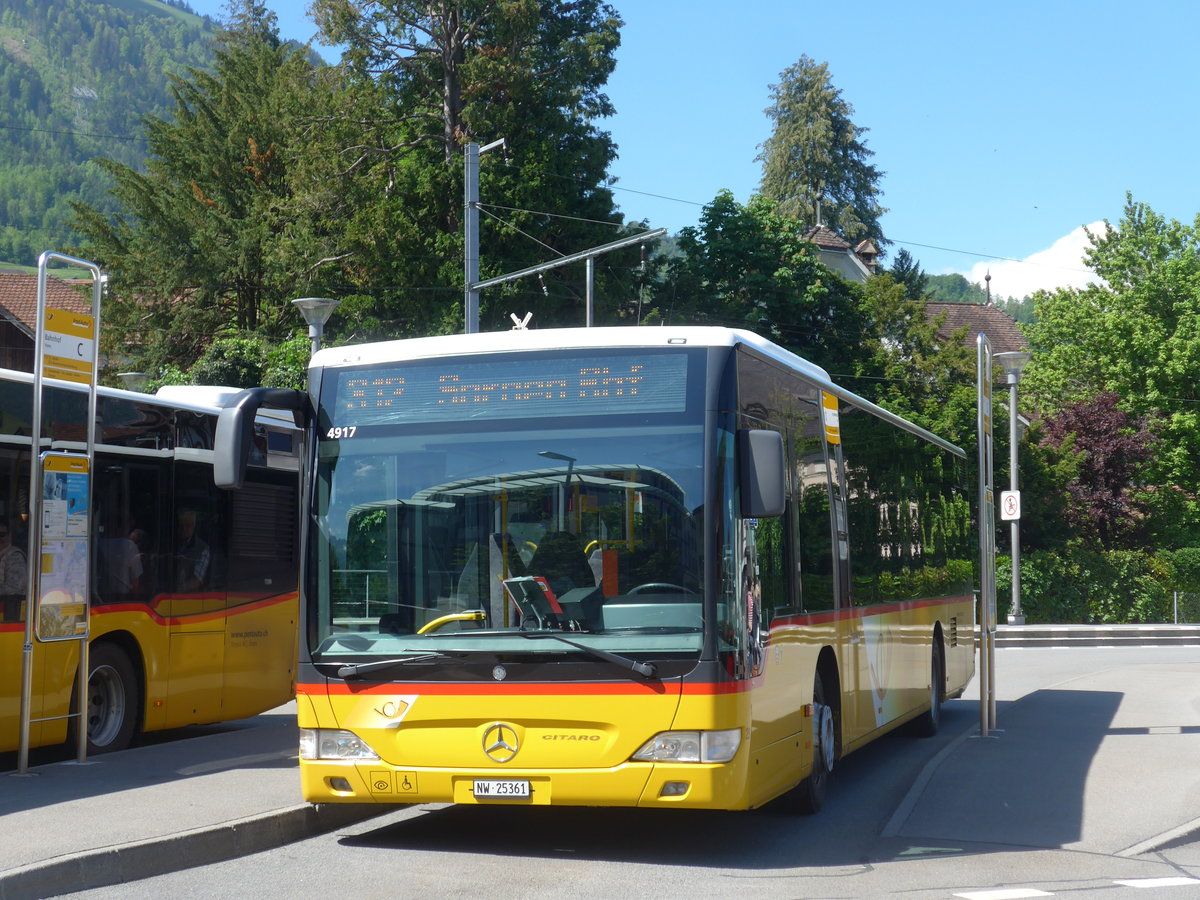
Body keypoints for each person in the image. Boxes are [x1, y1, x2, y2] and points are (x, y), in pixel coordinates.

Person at [175, 508, 210, 593]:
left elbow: (196, 582)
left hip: (189, 599)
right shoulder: (169, 543)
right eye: (181, 525)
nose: (184, 529)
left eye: (188, 526)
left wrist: (177, 591)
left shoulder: (203, 549)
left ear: (194, 526)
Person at [0, 517, 27, 621]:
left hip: (10, 614)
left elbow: (15, 587)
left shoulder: (14, 556)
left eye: (2, 534)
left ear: (9, 535)